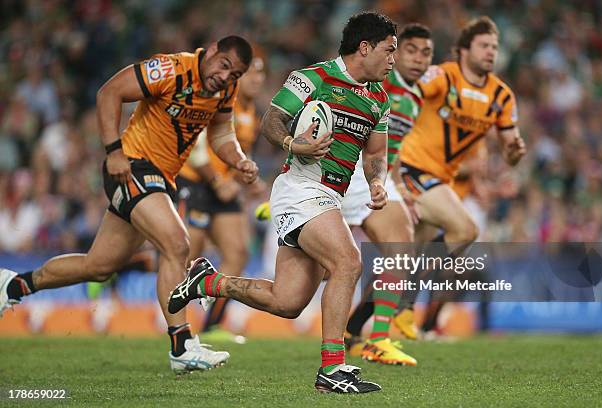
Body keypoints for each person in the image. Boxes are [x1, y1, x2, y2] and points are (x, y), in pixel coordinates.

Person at [0, 36, 258, 373]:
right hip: (132, 166)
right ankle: (182, 347)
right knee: (176, 243)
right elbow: (109, 92)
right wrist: (113, 151)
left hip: (160, 178)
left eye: (235, 74)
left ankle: (13, 284)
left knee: (99, 266)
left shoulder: (224, 91)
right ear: (211, 52)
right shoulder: (171, 68)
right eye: (224, 66)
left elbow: (221, 134)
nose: (226, 77)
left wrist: (238, 160)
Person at [169, 12, 397, 393]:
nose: (393, 60)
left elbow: (376, 154)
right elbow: (272, 121)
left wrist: (377, 182)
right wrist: (296, 144)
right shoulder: (313, 78)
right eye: (389, 51)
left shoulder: (379, 100)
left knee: (287, 301)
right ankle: (332, 369)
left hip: (330, 198)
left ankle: (207, 281)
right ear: (365, 47)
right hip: (301, 188)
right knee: (348, 261)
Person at [390, 16, 526, 327]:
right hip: (413, 168)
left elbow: (510, 149)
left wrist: (515, 153)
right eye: (484, 45)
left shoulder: (502, 96)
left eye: (494, 46)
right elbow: (408, 91)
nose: (491, 51)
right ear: (464, 49)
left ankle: (357, 330)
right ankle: (410, 306)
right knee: (464, 231)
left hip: (443, 184)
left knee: (407, 259)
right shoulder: (443, 76)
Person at [340, 23, 433, 365]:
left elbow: (388, 149)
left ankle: (376, 338)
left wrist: (400, 190)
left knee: (401, 247)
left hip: (375, 175)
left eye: (426, 53)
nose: (416, 59)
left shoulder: (415, 97)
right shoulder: (381, 79)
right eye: (407, 50)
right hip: (345, 171)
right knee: (302, 287)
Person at [176, 56, 267, 343]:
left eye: (261, 75)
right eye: (251, 74)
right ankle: (123, 267)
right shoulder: (221, 102)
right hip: (197, 182)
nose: (257, 79)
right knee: (181, 255)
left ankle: (212, 325)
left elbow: (235, 153)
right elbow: (196, 144)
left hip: (224, 188)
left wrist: (247, 176)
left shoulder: (250, 112)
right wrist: (217, 180)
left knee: (238, 253)